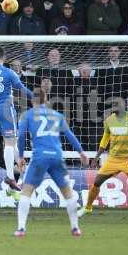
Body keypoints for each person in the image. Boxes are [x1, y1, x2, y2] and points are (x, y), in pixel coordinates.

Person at [14, 88, 89, 237]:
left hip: (40, 157)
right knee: (68, 193)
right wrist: (81, 152)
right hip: (57, 156)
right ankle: (75, 228)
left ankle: (21, 228)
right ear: (46, 99)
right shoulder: (57, 115)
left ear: (32, 100)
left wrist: (21, 156)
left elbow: (21, 136)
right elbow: (69, 134)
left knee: (27, 191)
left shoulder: (27, 115)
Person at [77, 97, 128, 220]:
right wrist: (96, 157)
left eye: (117, 104)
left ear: (124, 106)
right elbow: (105, 139)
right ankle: (88, 208)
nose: (114, 107)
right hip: (113, 159)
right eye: (113, 105)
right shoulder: (109, 120)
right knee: (97, 182)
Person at [0, 47, 33, 191]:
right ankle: (10, 176)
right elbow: (21, 88)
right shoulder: (8, 72)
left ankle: (21, 170)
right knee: (9, 143)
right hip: (6, 109)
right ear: (4, 58)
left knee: (11, 143)